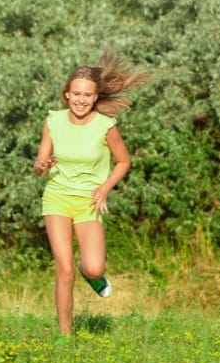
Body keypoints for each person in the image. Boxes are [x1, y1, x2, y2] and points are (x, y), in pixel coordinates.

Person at [33, 50, 149, 346]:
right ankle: (64, 337)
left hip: (88, 202)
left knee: (93, 266)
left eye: (87, 95)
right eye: (76, 94)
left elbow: (124, 161)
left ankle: (93, 276)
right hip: (57, 198)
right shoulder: (53, 121)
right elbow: (38, 165)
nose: (81, 100)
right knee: (65, 269)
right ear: (66, 94)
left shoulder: (105, 126)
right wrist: (42, 166)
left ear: (95, 97)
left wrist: (104, 187)